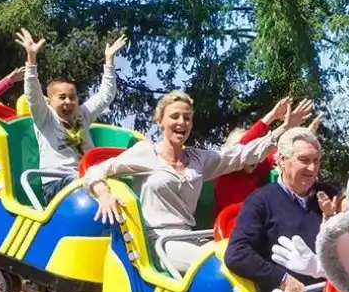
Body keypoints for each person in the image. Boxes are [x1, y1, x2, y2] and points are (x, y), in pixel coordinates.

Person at [82, 90, 279, 276]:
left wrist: (280, 131)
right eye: (175, 116)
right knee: (218, 263)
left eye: (187, 118)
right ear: (160, 121)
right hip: (158, 242)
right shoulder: (145, 152)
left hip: (190, 237)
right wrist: (103, 193)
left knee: (238, 254)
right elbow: (94, 171)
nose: (181, 122)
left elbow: (240, 154)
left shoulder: (197, 159)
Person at [223, 127, 341, 292]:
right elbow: (237, 254)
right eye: (304, 160)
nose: (312, 168)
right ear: (282, 161)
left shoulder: (330, 196)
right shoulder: (260, 201)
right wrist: (283, 279)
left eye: (316, 161)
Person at [15, 28, 127, 203]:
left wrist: (109, 61)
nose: (68, 101)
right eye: (62, 97)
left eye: (72, 97)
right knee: (85, 182)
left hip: (89, 178)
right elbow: (33, 94)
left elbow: (106, 95)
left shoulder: (83, 114)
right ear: (50, 101)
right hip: (57, 183)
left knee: (120, 183)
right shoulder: (45, 118)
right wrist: (31, 60)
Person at [213, 97, 322, 212]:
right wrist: (272, 116)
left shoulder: (256, 167)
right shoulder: (224, 169)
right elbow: (246, 144)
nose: (255, 155)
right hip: (228, 224)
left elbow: (283, 152)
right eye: (252, 149)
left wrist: (304, 136)